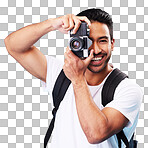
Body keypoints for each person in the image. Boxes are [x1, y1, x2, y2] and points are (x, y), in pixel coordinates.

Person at [5, 8, 143, 148]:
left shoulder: (128, 89)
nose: (95, 50)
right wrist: (53, 24)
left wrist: (77, 79)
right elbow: (13, 45)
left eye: (102, 41)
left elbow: (96, 133)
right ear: (75, 42)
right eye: (88, 41)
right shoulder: (61, 73)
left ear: (112, 44)